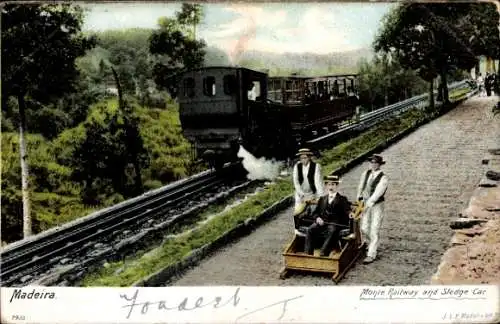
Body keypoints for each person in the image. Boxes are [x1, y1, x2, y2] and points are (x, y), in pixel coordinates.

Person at [303, 175, 351, 256]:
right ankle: (308, 254)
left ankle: (323, 252)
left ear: (337, 186)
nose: (330, 187)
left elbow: (347, 210)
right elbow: (315, 213)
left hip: (335, 223)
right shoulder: (322, 199)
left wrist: (351, 214)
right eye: (329, 184)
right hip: (322, 222)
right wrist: (318, 218)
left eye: (333, 184)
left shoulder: (342, 199)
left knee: (332, 230)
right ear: (326, 186)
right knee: (310, 229)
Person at [356, 154, 389, 264]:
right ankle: (371, 243)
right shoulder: (365, 173)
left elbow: (377, 194)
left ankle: (371, 254)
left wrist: (368, 204)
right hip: (365, 203)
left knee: (374, 228)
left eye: (375, 163)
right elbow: (361, 187)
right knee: (364, 227)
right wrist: (359, 199)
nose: (373, 165)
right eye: (372, 162)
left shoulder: (383, 178)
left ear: (379, 164)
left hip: (376, 205)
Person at [292, 148, 324, 233]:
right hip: (300, 194)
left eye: (305, 158)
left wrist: (320, 196)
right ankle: (297, 231)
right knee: (298, 212)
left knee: (312, 211)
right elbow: (296, 182)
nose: (303, 160)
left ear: (309, 157)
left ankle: (311, 230)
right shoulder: (297, 166)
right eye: (301, 158)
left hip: (312, 193)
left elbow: (318, 182)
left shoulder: (316, 166)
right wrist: (301, 194)